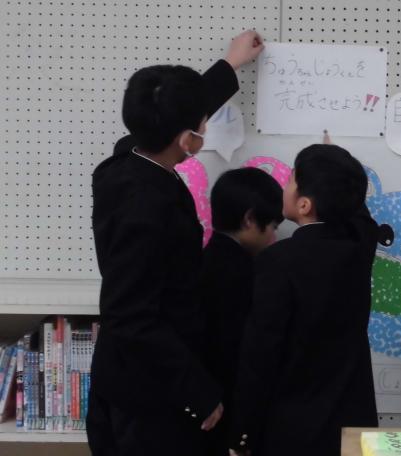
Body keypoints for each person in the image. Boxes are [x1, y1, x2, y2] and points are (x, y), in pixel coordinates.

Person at [86, 31, 265, 456]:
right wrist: (197, 389)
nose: (205, 129)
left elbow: (169, 113)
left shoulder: (122, 161)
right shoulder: (147, 209)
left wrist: (229, 66)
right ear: (187, 141)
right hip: (148, 394)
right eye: (202, 125)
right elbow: (130, 315)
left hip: (132, 374)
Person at [229, 144, 379, 456]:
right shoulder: (360, 248)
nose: (284, 185)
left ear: (305, 204)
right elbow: (361, 218)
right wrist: (336, 171)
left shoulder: (276, 262)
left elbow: (260, 356)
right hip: (353, 429)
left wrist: (242, 434)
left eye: (291, 180)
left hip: (293, 430)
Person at [200, 167, 284, 456]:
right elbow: (245, 356)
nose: (273, 236)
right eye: (272, 226)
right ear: (249, 219)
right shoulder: (245, 274)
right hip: (227, 413)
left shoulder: (204, 260)